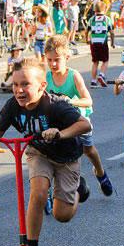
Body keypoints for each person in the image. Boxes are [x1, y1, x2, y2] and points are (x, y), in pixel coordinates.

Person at [0, 57, 93, 246]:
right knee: (38, 193)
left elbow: (84, 124)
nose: (19, 90)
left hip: (66, 157)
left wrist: (59, 133)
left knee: (62, 215)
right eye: (15, 84)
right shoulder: (13, 105)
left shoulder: (55, 107)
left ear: (42, 86)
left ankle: (79, 187)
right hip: (38, 152)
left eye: (25, 85)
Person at [44, 35, 114, 196]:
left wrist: (70, 101)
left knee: (88, 150)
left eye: (57, 60)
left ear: (66, 58)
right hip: (58, 122)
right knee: (55, 153)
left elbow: (88, 101)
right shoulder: (47, 77)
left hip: (78, 120)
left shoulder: (73, 75)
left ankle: (101, 174)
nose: (53, 64)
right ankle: (66, 184)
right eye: (49, 60)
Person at [86, 1, 115, 88]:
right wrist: (112, 43)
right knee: (105, 60)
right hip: (103, 41)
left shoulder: (91, 19)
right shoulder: (107, 19)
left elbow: (87, 30)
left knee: (95, 62)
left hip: (93, 42)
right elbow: (112, 32)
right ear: (105, 9)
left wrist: (87, 39)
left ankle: (93, 81)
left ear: (95, 9)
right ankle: (101, 75)